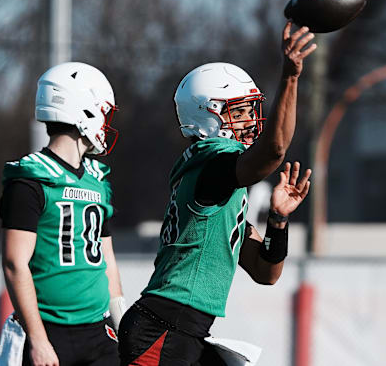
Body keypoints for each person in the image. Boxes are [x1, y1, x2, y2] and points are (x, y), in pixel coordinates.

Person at [117, 21, 316, 366]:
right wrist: (290, 78)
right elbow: (274, 151)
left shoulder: (223, 186)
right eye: (238, 111)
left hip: (183, 330)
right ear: (206, 115)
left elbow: (265, 272)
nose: (251, 121)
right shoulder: (211, 164)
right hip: (163, 329)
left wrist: (278, 220)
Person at [0, 62, 125, 366]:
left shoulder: (97, 178)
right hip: (51, 334)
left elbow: (107, 259)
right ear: (83, 111)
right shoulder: (31, 179)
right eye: (102, 112)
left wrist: (123, 328)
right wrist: (39, 341)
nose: (105, 122)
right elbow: (15, 264)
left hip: (98, 331)